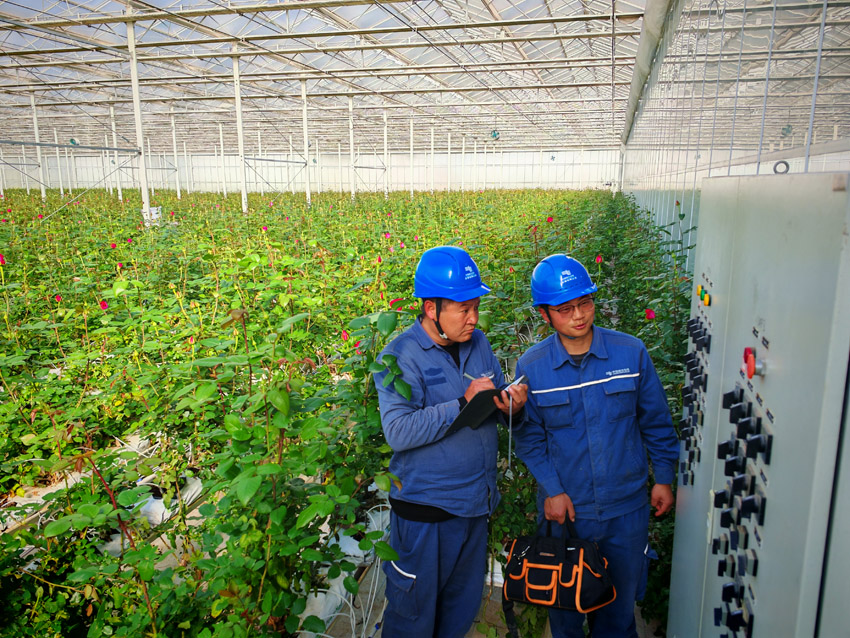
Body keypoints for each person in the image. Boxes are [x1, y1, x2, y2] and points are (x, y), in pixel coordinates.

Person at [512, 254, 678, 638]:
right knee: (566, 614)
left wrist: (663, 477)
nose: (578, 315)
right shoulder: (533, 367)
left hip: (626, 511)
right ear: (544, 314)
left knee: (618, 618)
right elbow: (530, 438)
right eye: (565, 308)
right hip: (567, 515)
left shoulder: (630, 353)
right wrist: (552, 490)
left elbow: (655, 421)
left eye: (584, 302)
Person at [374, 245, 527, 638]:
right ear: (431, 309)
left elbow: (490, 397)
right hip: (427, 515)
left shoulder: (478, 344)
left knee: (459, 613)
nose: (473, 318)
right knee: (413, 618)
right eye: (464, 309)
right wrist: (462, 402)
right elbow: (399, 431)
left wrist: (508, 404)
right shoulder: (400, 357)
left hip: (473, 508)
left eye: (476, 306)